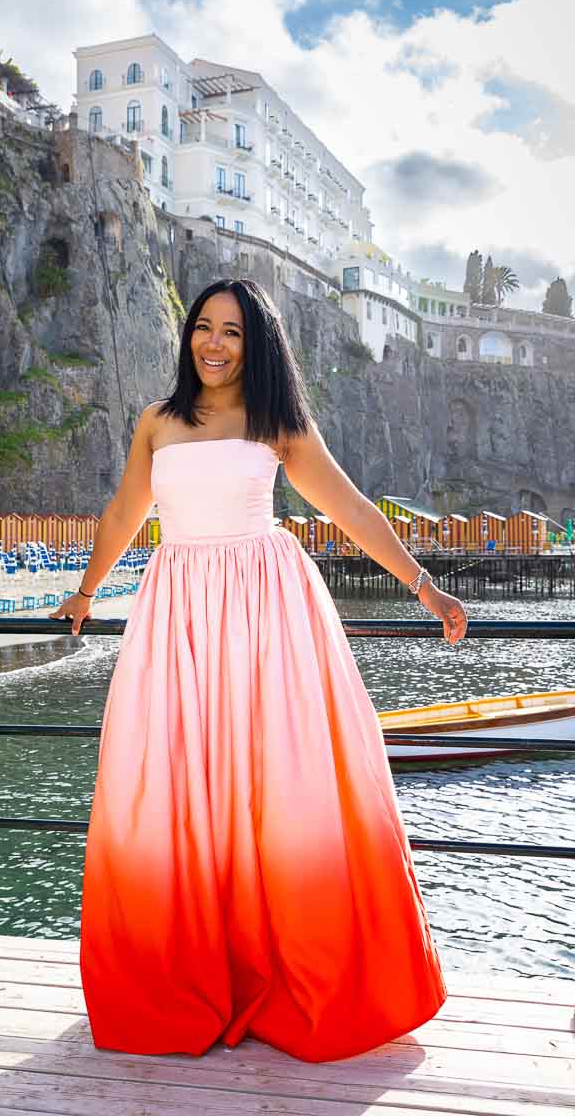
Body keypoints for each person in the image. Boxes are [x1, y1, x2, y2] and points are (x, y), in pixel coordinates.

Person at [50, 278, 468, 1064]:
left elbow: (350, 508)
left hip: (266, 612)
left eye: (232, 333)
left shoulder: (278, 422)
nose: (213, 344)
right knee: (180, 785)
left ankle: (290, 970)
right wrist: (83, 594)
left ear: (257, 344)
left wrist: (424, 584)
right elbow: (123, 514)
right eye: (203, 328)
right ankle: (195, 969)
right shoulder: (156, 422)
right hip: (178, 614)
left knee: (278, 783)